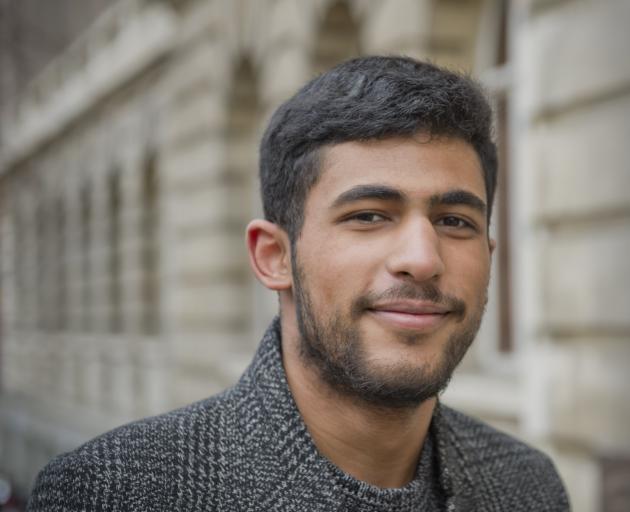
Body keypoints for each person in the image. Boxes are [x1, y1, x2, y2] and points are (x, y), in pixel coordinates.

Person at [27, 56, 569, 511]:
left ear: (489, 254)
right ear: (274, 257)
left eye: (455, 221)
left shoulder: (528, 486)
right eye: (369, 216)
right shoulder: (112, 493)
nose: (422, 259)